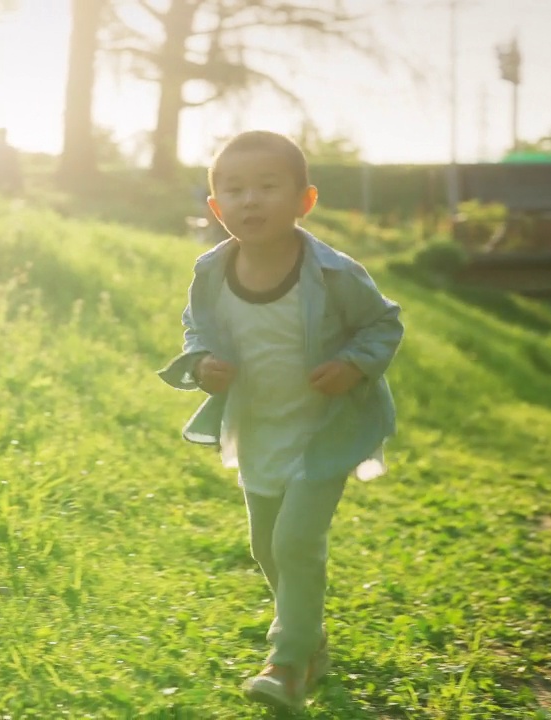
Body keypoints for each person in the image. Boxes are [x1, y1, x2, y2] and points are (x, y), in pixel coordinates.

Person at [155, 130, 404, 711]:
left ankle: (288, 663)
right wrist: (202, 364)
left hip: (326, 431)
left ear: (304, 200)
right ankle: (311, 641)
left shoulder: (334, 273)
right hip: (259, 426)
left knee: (296, 541)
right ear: (216, 208)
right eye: (234, 190)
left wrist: (351, 364)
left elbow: (383, 325)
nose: (251, 201)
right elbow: (199, 330)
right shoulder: (212, 272)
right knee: (266, 546)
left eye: (268, 187)